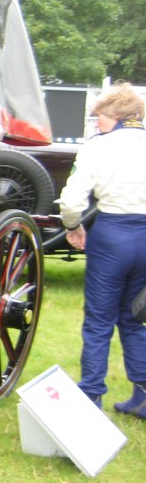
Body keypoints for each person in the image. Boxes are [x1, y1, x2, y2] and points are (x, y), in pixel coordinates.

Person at [59, 82, 146, 416]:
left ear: (117, 115)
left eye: (100, 117)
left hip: (112, 235)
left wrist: (72, 226)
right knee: (134, 317)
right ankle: (142, 395)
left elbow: (72, 201)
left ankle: (91, 395)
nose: (97, 124)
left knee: (98, 320)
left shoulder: (98, 146)